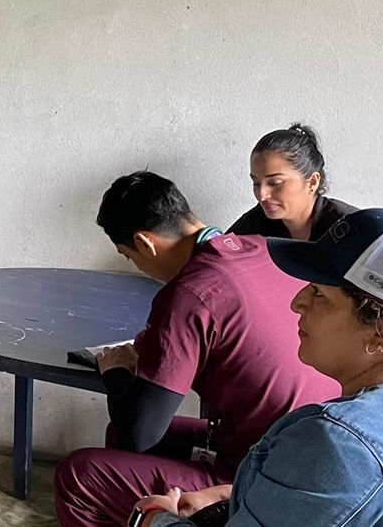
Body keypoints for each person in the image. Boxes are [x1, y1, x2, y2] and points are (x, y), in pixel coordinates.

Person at [130, 208, 383, 526]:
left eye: (319, 294)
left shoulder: (338, 443)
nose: (297, 302)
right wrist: (235, 496)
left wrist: (155, 518)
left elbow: (350, 477)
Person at [53, 172, 339, 527]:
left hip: (264, 475)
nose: (136, 265)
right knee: (120, 435)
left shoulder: (187, 294)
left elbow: (139, 435)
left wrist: (116, 371)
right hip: (313, 450)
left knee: (80, 475)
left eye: (129, 257)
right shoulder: (261, 248)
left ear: (145, 243)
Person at [230, 124, 355, 241]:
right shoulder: (257, 222)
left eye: (275, 183)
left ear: (312, 182)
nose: (262, 195)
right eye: (256, 183)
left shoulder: (352, 227)